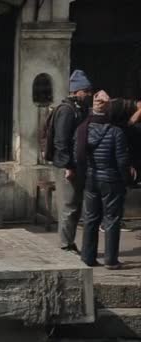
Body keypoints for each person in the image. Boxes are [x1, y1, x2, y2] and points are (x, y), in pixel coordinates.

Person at [74, 91, 132, 269]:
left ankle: (88, 257)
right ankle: (111, 260)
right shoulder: (116, 132)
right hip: (111, 181)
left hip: (91, 179)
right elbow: (122, 161)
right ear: (108, 111)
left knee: (90, 218)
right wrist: (127, 179)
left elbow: (77, 155)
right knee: (112, 219)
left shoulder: (82, 129)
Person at [53, 70, 94, 253]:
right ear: (77, 91)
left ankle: (69, 242)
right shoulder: (67, 111)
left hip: (77, 165)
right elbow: (61, 141)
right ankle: (65, 244)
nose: (89, 94)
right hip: (67, 166)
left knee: (76, 206)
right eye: (86, 91)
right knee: (68, 206)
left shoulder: (79, 109)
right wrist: (68, 166)